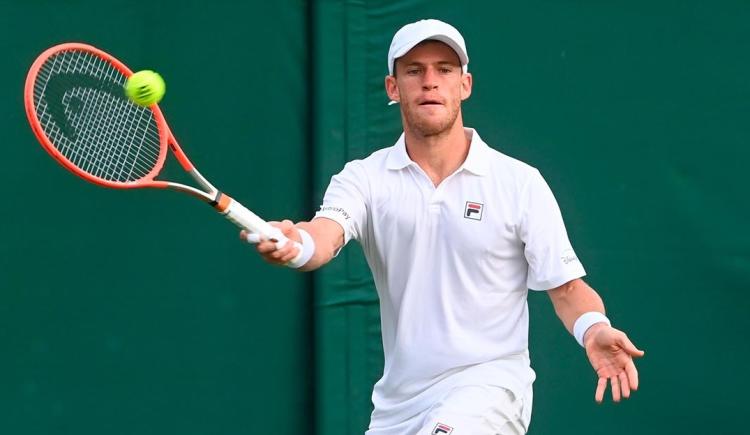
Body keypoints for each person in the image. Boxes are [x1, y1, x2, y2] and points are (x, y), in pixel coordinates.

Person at [243, 19, 644, 435]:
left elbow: (566, 288)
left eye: (444, 70)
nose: (429, 82)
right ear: (392, 87)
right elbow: (323, 234)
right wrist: (296, 245)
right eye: (414, 71)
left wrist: (594, 329)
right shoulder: (364, 179)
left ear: (464, 85)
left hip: (490, 390)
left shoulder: (520, 183)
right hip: (397, 409)